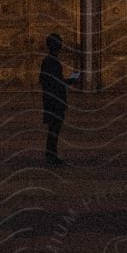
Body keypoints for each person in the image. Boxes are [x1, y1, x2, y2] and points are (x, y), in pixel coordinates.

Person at [38, 32, 80, 166]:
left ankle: (51, 154)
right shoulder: (52, 61)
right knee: (54, 129)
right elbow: (56, 81)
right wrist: (71, 80)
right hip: (55, 100)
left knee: (53, 129)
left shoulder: (48, 60)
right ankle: (51, 156)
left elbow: (45, 80)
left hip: (51, 99)